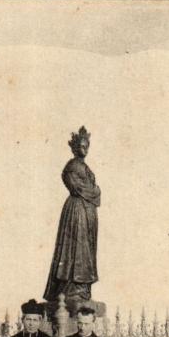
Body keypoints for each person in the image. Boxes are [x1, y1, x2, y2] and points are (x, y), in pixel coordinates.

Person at [44, 126, 101, 303]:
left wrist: (94, 192)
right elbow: (78, 188)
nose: (85, 150)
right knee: (75, 248)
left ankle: (82, 287)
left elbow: (95, 193)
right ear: (75, 148)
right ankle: (71, 287)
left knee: (86, 250)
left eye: (87, 146)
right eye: (82, 146)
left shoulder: (85, 167)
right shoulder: (72, 166)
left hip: (87, 211)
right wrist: (95, 191)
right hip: (77, 212)